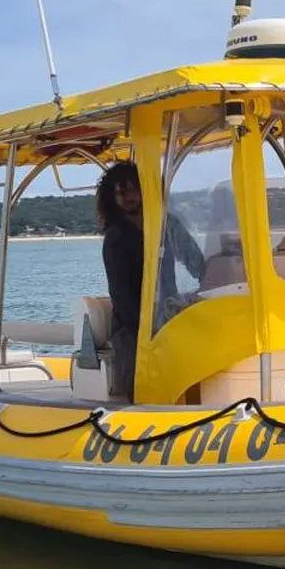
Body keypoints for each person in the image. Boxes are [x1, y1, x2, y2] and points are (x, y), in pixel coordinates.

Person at [95, 161, 205, 402]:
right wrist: (149, 327)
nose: (128, 197)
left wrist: (210, 284)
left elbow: (196, 261)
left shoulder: (168, 224)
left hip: (168, 317)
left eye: (133, 189)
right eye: (121, 192)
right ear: (112, 198)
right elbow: (121, 295)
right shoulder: (115, 238)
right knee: (142, 378)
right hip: (132, 328)